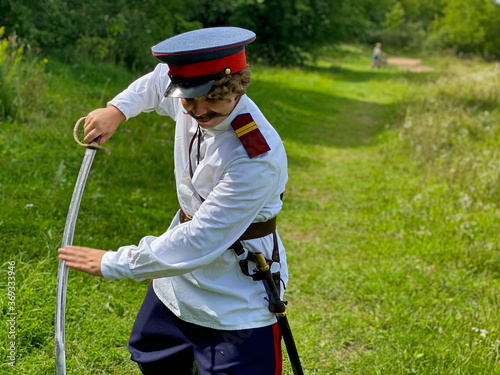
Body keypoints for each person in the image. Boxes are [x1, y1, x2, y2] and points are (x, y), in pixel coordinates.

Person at [58, 27, 289, 375]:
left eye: (213, 99)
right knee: (154, 354)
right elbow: (155, 82)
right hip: (177, 278)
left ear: (237, 87)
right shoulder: (193, 95)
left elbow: (202, 238)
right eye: (188, 99)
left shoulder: (255, 156)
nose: (198, 111)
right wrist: (117, 110)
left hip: (234, 286)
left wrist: (115, 262)